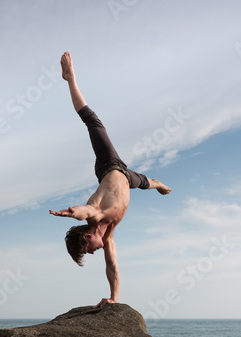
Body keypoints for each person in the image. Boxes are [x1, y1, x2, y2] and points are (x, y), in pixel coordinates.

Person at [50, 52, 171, 308]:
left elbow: (85, 211)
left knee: (93, 122)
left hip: (109, 166)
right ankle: (158, 183)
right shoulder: (108, 237)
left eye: (88, 249)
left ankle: (70, 78)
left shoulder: (93, 214)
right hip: (127, 179)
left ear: (85, 237)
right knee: (148, 183)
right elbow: (112, 266)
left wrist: (72, 212)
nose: (93, 251)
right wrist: (114, 299)